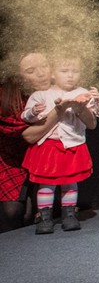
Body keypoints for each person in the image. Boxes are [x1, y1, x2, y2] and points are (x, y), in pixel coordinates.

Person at [22, 53, 99, 234]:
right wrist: (33, 111)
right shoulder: (41, 95)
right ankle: (44, 217)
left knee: (70, 183)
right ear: (53, 73)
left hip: (72, 145)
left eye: (75, 71)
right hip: (48, 146)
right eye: (64, 71)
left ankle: (69, 214)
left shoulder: (83, 93)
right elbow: (26, 117)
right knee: (46, 184)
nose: (70, 75)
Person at [0, 52, 57, 232]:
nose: (41, 74)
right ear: (17, 76)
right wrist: (60, 109)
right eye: (31, 71)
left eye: (44, 66)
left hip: (43, 155)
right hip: (11, 158)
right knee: (13, 212)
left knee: (34, 214)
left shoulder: (58, 90)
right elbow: (29, 136)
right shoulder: (6, 97)